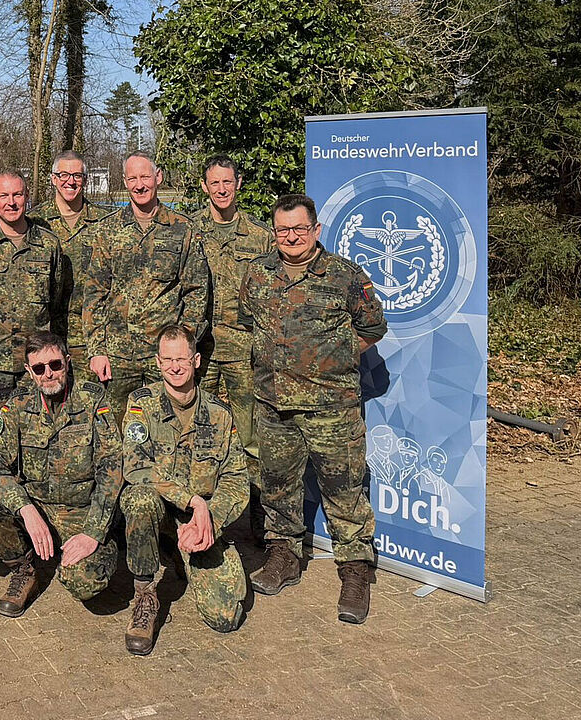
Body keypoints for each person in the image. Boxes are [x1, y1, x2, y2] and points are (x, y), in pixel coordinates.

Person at [239, 193, 387, 624]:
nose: (291, 237)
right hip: (274, 406)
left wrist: (336, 359)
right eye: (283, 229)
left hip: (331, 409)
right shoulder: (259, 274)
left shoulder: (343, 276)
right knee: (279, 489)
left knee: (344, 491)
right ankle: (284, 557)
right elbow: (251, 320)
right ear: (274, 232)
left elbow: (373, 326)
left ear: (316, 230)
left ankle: (355, 572)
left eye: (299, 229)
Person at [117, 325, 249, 655]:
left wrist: (211, 519)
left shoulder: (219, 414)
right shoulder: (141, 406)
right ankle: (145, 594)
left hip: (197, 521)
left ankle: (181, 553)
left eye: (182, 359)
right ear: (158, 362)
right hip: (159, 509)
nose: (175, 367)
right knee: (139, 499)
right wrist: (191, 500)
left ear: (197, 360)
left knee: (225, 615)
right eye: (167, 359)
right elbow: (135, 467)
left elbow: (235, 478)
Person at [0, 332, 121, 617]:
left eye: (55, 365)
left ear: (67, 362)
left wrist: (93, 532)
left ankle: (89, 548)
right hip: (37, 507)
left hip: (80, 512)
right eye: (39, 368)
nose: (48, 374)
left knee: (86, 584)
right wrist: (25, 508)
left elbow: (112, 468)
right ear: (29, 372)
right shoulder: (18, 405)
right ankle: (24, 568)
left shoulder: (92, 400)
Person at [85, 151, 210, 425]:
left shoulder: (183, 229)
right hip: (118, 356)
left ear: (158, 177)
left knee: (171, 428)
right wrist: (97, 349)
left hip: (166, 358)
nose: (139, 185)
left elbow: (197, 291)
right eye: (132, 178)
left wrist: (182, 349)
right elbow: (95, 292)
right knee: (114, 432)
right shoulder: (108, 230)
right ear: (125, 181)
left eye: (145, 176)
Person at [191, 155, 273, 544]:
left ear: (238, 183)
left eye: (227, 182)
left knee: (252, 438)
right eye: (214, 183)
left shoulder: (260, 236)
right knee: (197, 433)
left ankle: (260, 518)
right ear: (204, 187)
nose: (221, 190)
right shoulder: (190, 230)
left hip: (244, 351)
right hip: (200, 352)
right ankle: (197, 514)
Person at [0, 171, 66, 441]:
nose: (11, 202)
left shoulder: (48, 244)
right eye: (4, 195)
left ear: (27, 197)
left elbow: (54, 299)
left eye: (17, 194)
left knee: (36, 436)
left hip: (37, 366)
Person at [27, 151, 115, 371]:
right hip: (47, 333)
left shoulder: (105, 222)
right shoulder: (34, 222)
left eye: (77, 175)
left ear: (85, 180)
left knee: (90, 402)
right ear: (54, 179)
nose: (70, 181)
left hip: (91, 334)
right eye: (64, 175)